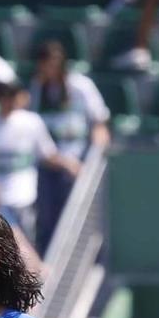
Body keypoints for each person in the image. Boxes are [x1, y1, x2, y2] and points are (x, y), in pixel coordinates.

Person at [0, 80, 80, 243]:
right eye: (3, 97)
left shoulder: (32, 122)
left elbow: (48, 155)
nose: (8, 102)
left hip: (23, 197)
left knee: (25, 246)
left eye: (11, 97)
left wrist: (69, 165)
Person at [29, 41, 112, 250]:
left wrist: (93, 159)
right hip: (49, 165)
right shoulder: (38, 88)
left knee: (77, 216)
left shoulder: (81, 86)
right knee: (48, 218)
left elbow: (99, 124)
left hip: (79, 164)